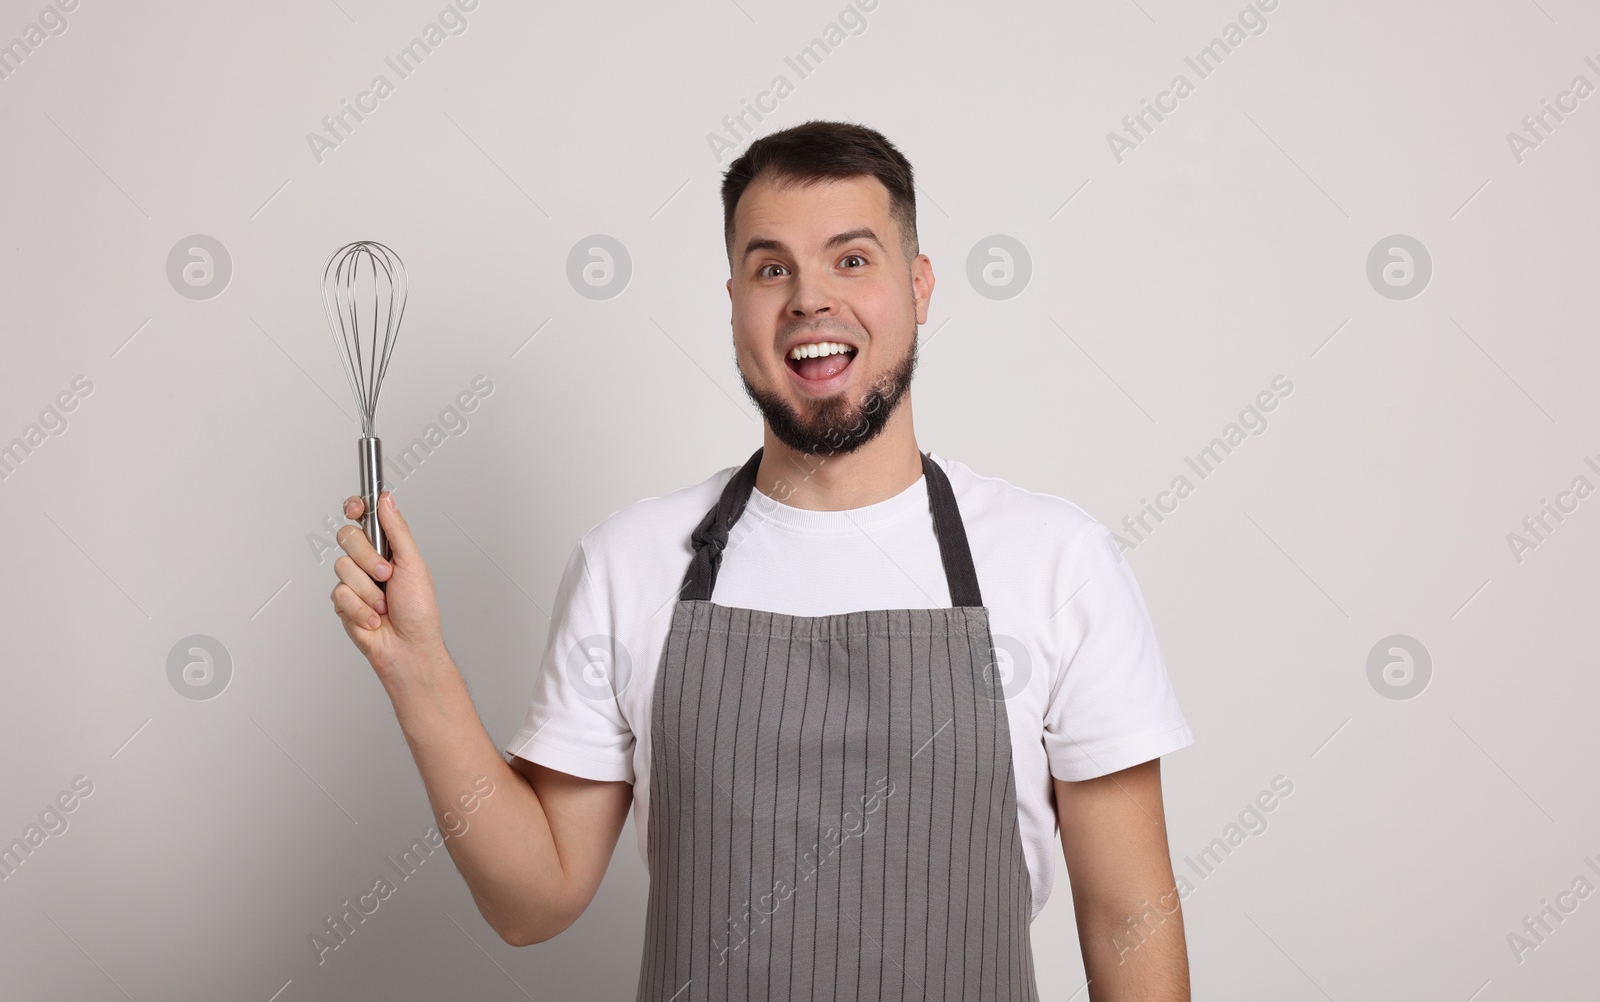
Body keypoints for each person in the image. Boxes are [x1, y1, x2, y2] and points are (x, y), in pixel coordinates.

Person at [330, 120, 1195, 1000]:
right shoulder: (630, 563)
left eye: (852, 259)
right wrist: (418, 668)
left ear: (920, 285)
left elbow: (1128, 918)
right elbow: (533, 898)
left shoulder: (1057, 562)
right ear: (736, 299)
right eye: (772, 267)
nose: (810, 299)